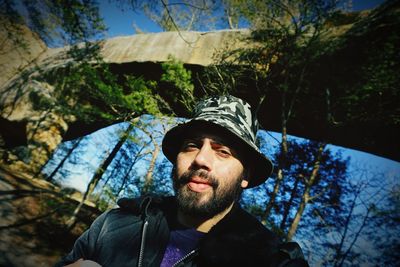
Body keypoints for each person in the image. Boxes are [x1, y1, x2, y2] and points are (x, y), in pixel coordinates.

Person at [55, 95, 309, 267]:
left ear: (246, 176)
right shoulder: (114, 224)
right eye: (192, 145)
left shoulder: (271, 260)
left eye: (223, 152)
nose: (201, 159)